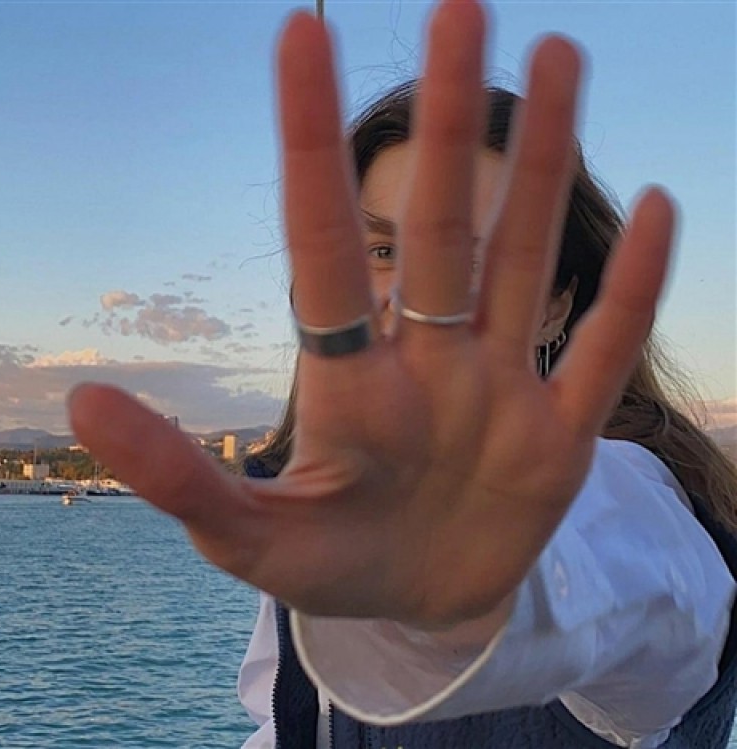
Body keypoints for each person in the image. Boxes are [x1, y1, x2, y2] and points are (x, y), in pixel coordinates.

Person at [67, 1, 737, 747]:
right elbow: (288, 725)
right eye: (383, 251)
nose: (412, 292)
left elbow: (635, 592)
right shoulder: (326, 509)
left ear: (557, 304)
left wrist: (480, 590)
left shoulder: (642, 497)